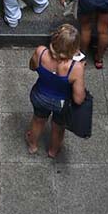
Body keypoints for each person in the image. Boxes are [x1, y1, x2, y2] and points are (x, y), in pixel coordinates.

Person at [26, 24, 86, 158]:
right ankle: (53, 151)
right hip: (61, 103)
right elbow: (78, 98)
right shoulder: (76, 68)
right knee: (58, 128)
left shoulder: (40, 52)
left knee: (38, 120)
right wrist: (81, 70)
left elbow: (32, 66)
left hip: (39, 95)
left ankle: (33, 145)